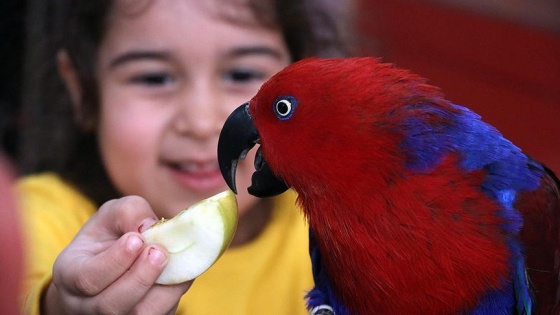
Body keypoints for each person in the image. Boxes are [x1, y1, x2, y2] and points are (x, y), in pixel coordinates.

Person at [18, 0, 353, 314]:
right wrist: (62, 304)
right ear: (82, 92)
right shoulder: (28, 218)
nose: (201, 123)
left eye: (241, 75)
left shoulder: (338, 233)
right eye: (154, 78)